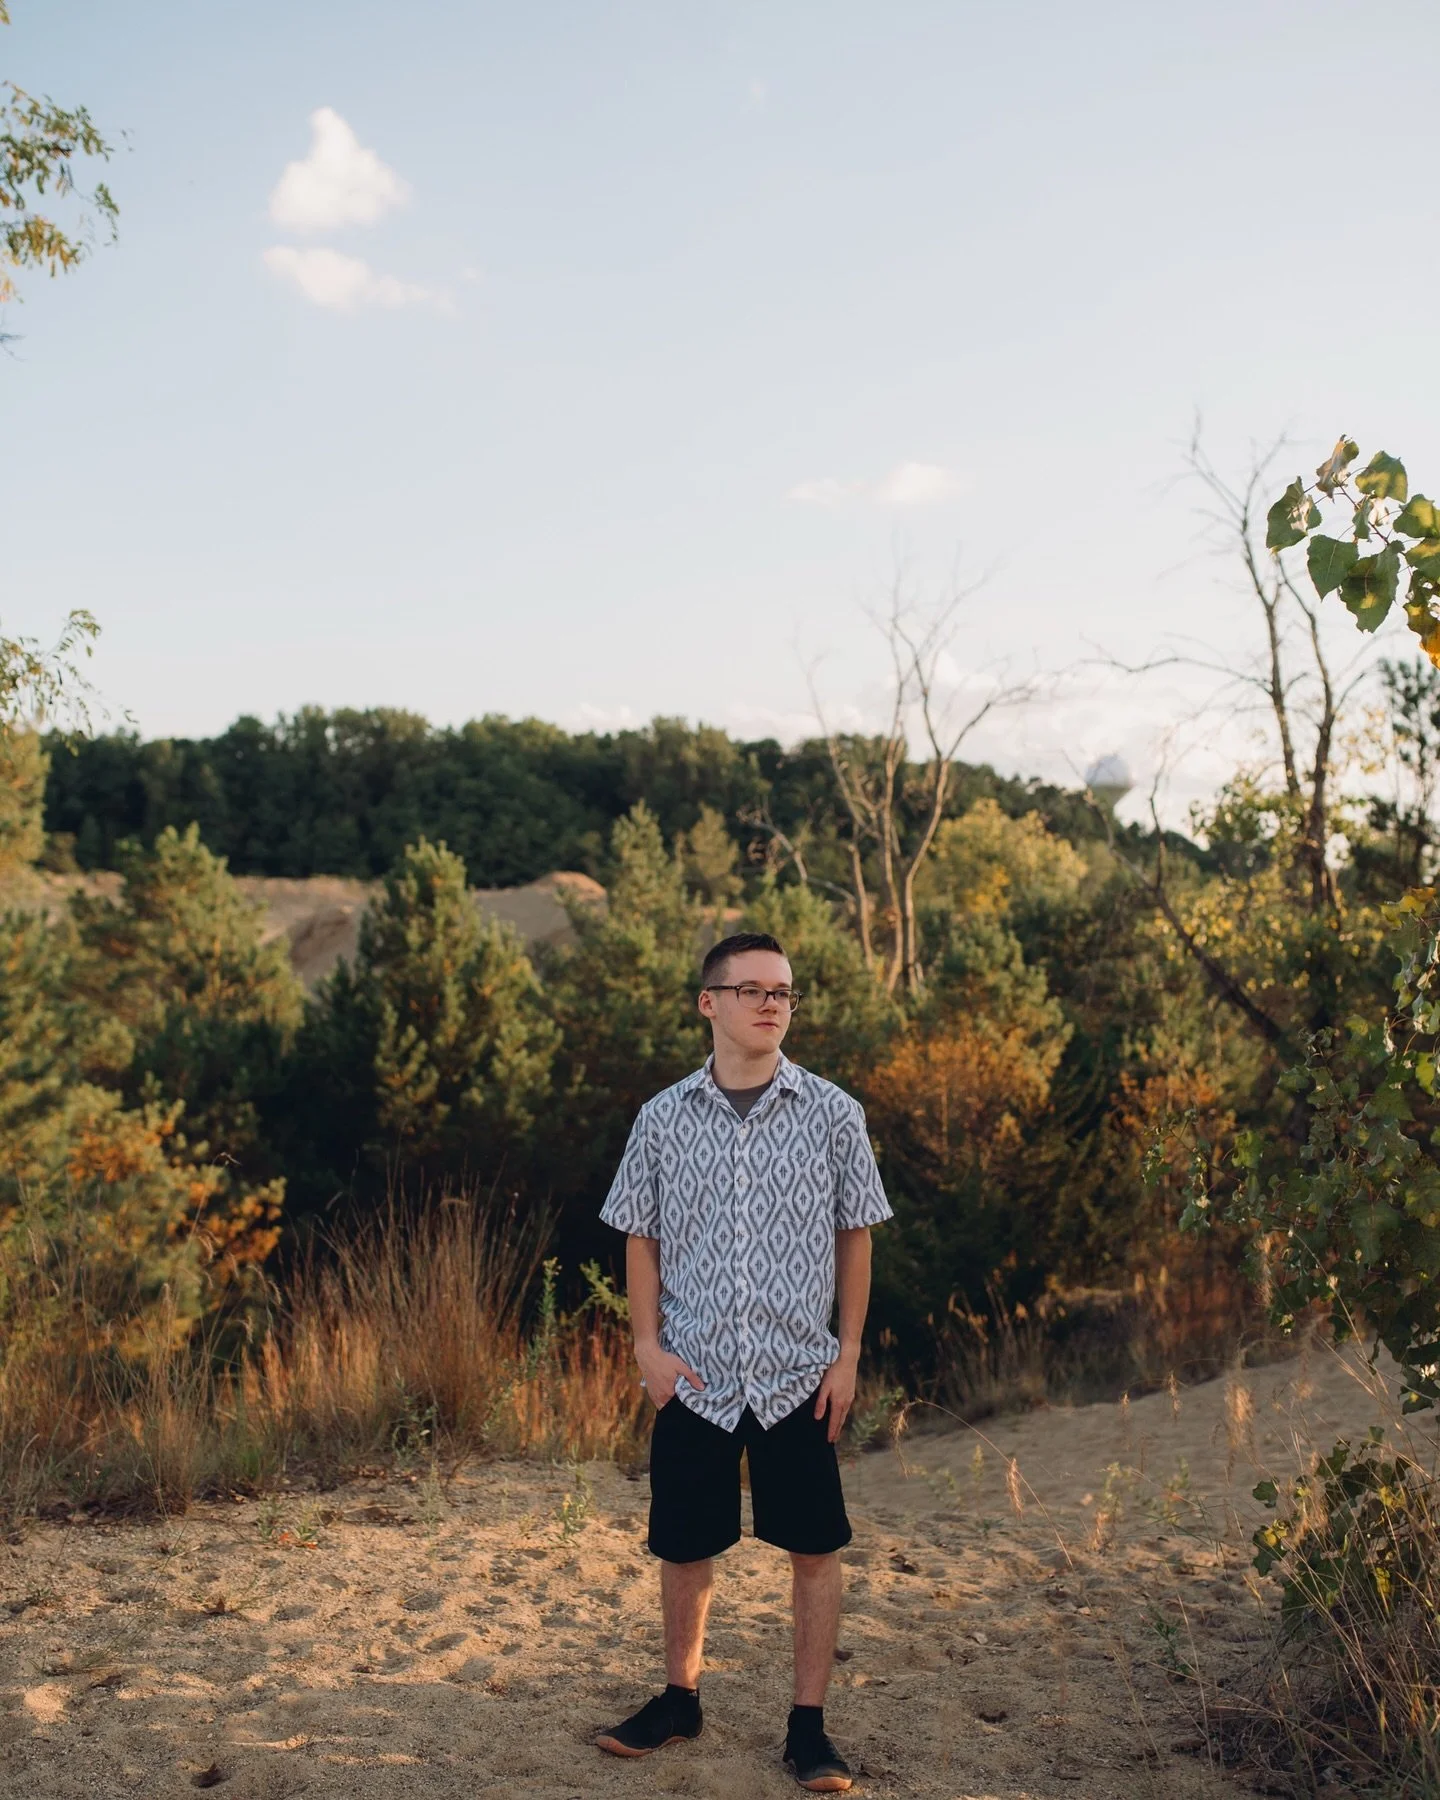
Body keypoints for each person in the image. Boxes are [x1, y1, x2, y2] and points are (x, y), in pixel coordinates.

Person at [594, 931, 892, 1794]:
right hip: (696, 1376)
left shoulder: (834, 1112)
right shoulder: (661, 1117)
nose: (772, 1004)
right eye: (753, 989)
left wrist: (848, 1354)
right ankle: (679, 1700)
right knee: (685, 1546)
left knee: (813, 1548)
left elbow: (856, 1233)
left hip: (801, 1373)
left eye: (785, 992)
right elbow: (638, 1235)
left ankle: (808, 1729)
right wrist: (647, 1347)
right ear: (709, 1002)